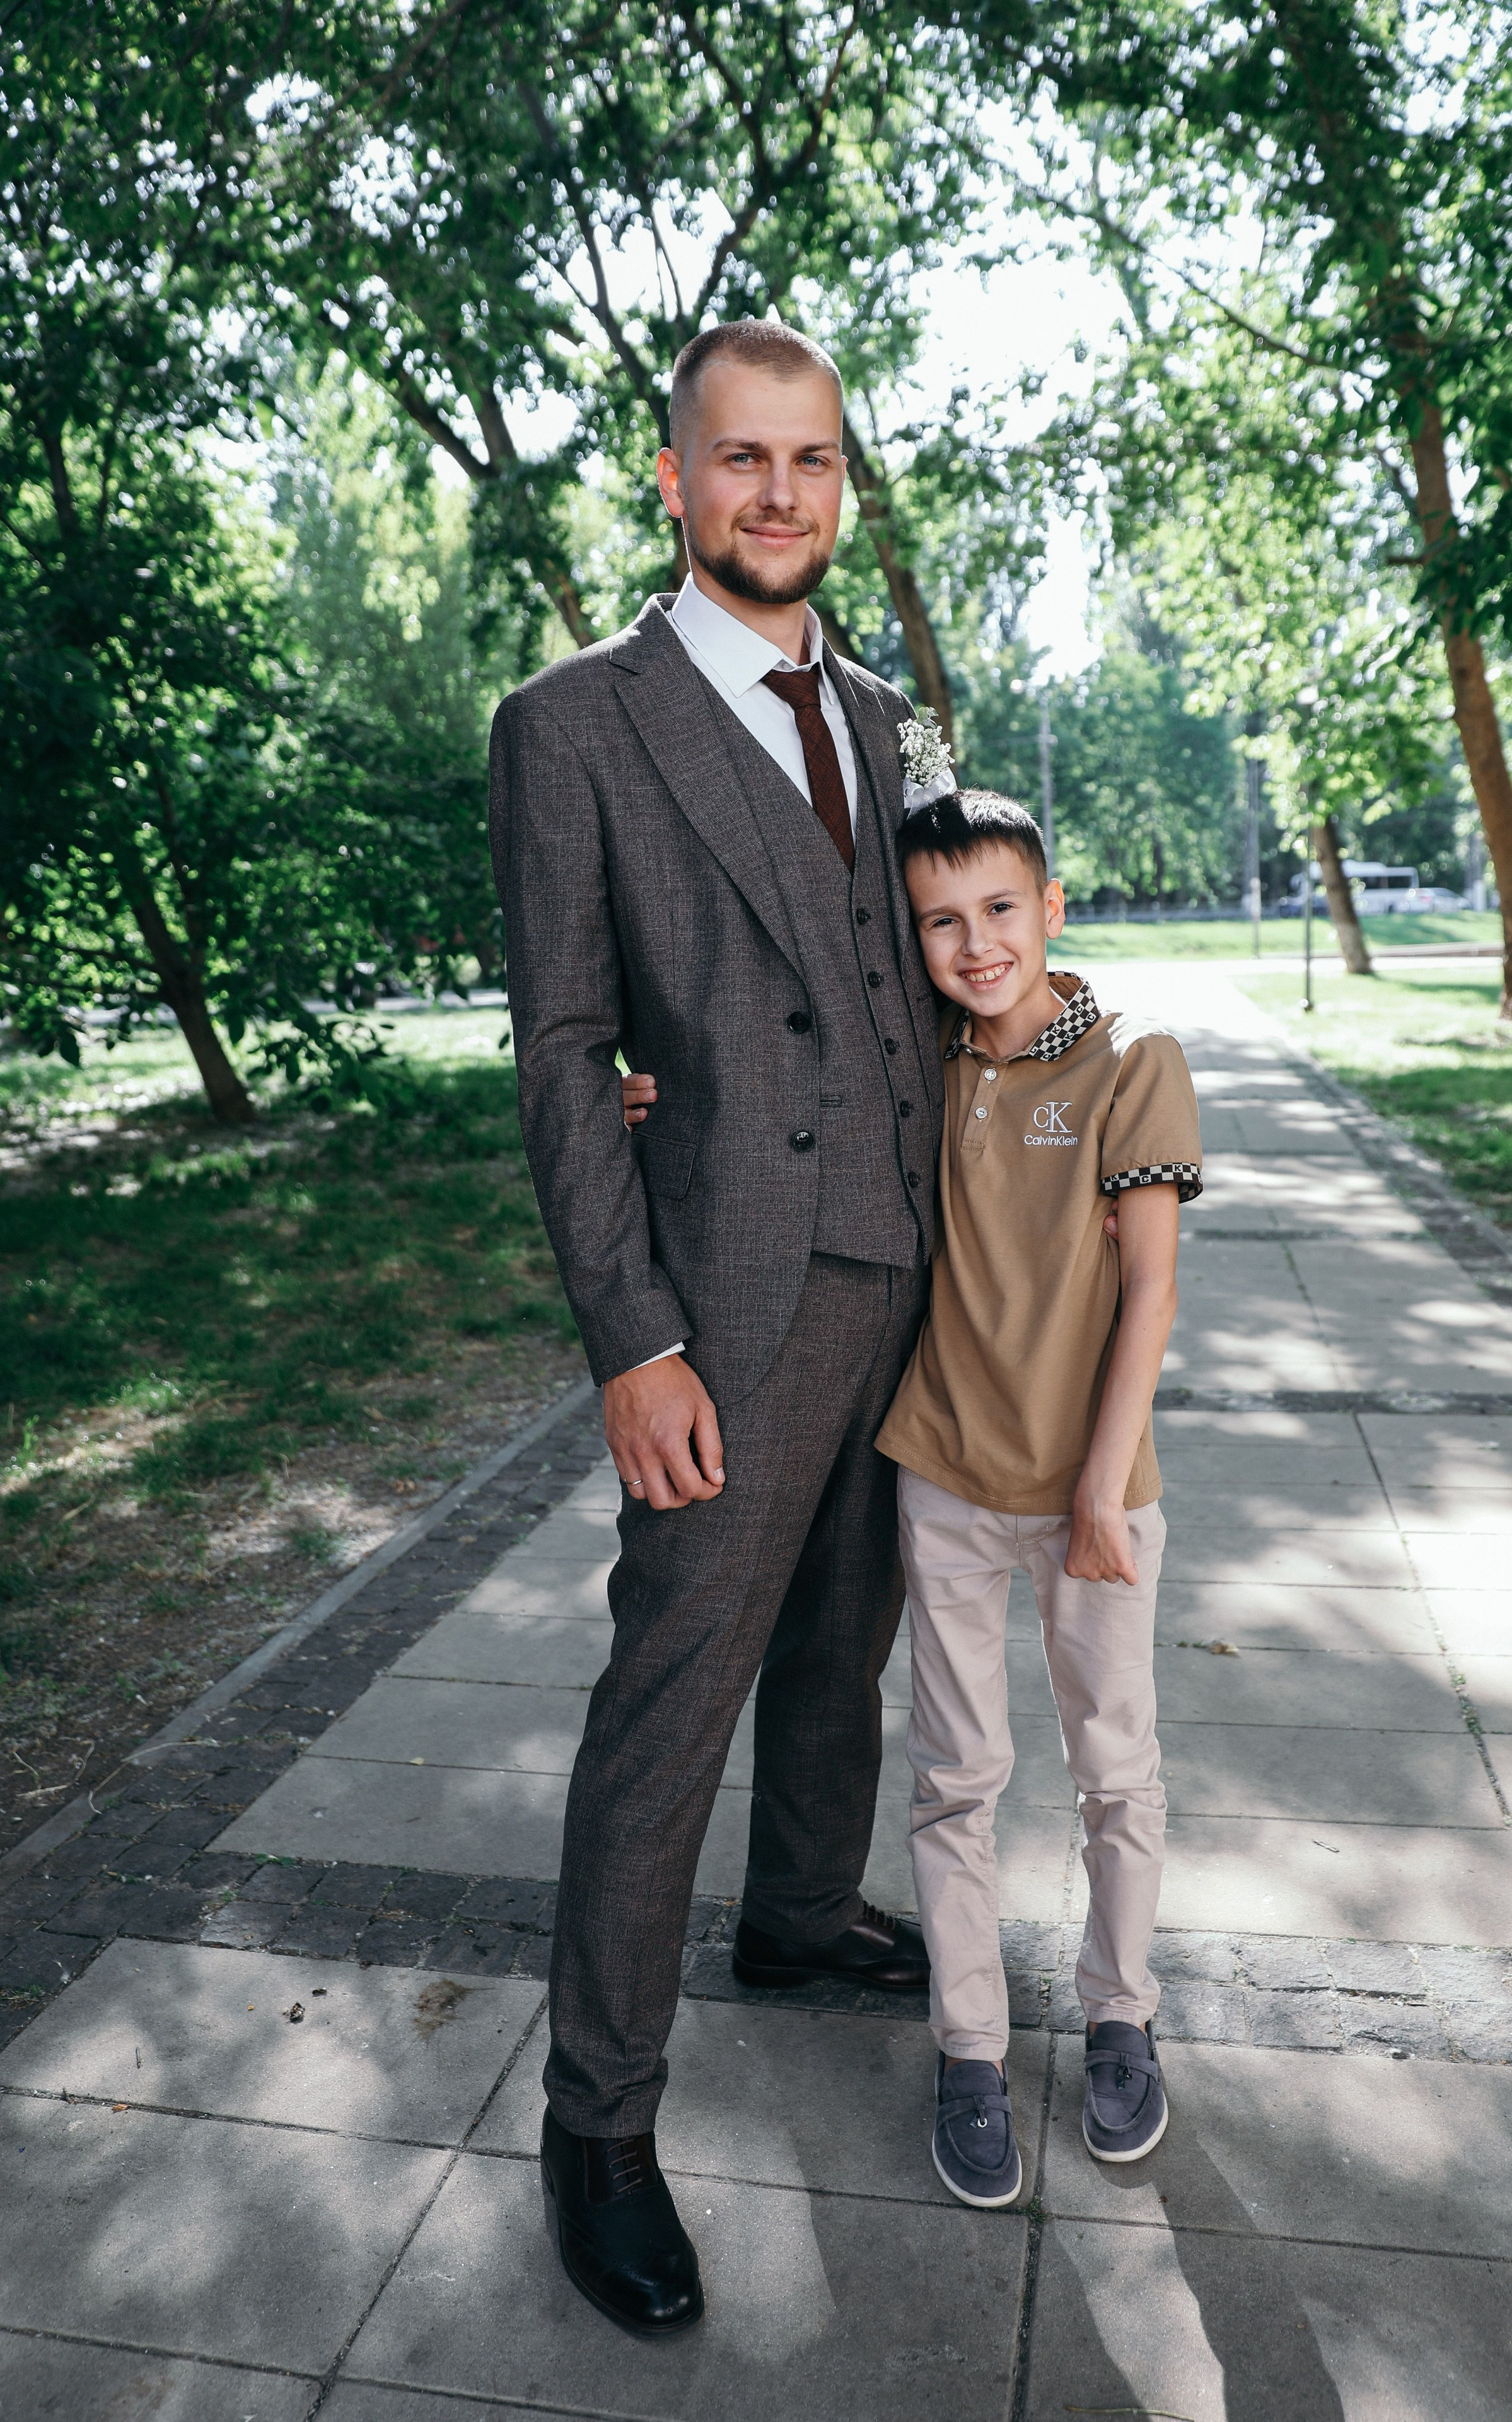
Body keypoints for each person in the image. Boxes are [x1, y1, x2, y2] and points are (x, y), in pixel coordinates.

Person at [488, 318, 941, 2339]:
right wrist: (629, 1336)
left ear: (844, 485)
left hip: (913, 1270)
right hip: (725, 1300)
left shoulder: (892, 711)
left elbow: (959, 968)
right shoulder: (575, 722)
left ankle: (796, 1917)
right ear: (674, 480)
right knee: (673, 1700)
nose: (779, 496)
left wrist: (1110, 1059)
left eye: (812, 462)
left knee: (849, 1639)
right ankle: (597, 2123)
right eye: (739, 461)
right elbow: (567, 1049)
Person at [874, 789, 1201, 2201]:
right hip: (944, 1471)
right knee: (954, 1779)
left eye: (998, 908)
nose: (972, 942)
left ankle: (1119, 2017)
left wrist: (1091, 1491)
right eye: (940, 920)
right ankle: (966, 2047)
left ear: (1049, 906)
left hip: (1092, 1495)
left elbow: (1148, 1293)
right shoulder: (927, 1064)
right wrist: (654, 1096)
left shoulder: (1133, 1059)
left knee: (1111, 1769)